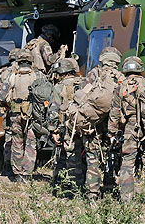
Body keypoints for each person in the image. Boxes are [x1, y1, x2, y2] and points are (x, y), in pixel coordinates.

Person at [108, 56, 145, 202]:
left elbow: (114, 112)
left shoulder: (121, 87)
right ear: (140, 69)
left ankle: (127, 200)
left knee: (127, 162)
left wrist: (112, 132)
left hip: (130, 127)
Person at [83, 46, 125, 199]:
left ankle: (93, 192)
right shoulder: (121, 77)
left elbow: (83, 95)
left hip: (94, 121)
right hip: (113, 122)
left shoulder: (93, 74)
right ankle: (109, 186)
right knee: (112, 154)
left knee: (92, 157)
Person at [4, 49, 47, 182]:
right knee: (30, 143)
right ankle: (26, 174)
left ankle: (17, 174)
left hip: (15, 114)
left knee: (17, 143)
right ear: (30, 61)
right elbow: (45, 94)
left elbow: (1, 96)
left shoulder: (12, 76)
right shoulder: (38, 75)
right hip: (31, 115)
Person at [47, 58, 86, 192]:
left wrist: (53, 130)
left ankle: (73, 188)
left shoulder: (59, 87)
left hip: (68, 126)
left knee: (70, 157)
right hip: (85, 126)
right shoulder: (84, 83)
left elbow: (54, 110)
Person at [0, 48, 20, 176]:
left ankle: (8, 167)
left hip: (9, 112)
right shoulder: (28, 72)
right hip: (24, 112)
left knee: (9, 139)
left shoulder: (4, 73)